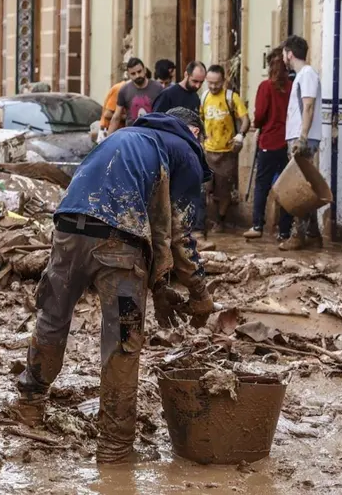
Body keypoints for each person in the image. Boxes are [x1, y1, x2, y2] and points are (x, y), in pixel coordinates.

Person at [13, 108, 213, 463]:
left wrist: (159, 287)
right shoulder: (185, 149)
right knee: (122, 341)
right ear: (194, 131)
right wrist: (200, 294)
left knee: (52, 319)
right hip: (118, 246)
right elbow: (179, 232)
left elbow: (156, 224)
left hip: (67, 230)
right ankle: (115, 448)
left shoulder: (124, 137)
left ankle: (29, 405)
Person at [279, 35, 323, 250]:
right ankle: (313, 234)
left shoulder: (306, 74)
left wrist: (302, 138)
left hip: (302, 139)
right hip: (299, 137)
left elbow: (308, 107)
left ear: (290, 53)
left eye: (283, 53)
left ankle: (298, 235)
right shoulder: (301, 75)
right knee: (305, 185)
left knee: (299, 188)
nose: (283, 58)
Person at [244, 48, 292, 239]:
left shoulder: (265, 87)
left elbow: (260, 115)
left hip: (269, 142)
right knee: (286, 186)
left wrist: (257, 125)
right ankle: (285, 230)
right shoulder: (291, 86)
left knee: (262, 185)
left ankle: (257, 226)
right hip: (287, 142)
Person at [199, 64, 251, 232]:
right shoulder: (204, 97)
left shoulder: (231, 97)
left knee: (224, 190)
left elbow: (245, 119)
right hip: (208, 151)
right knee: (206, 188)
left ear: (223, 81)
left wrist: (240, 135)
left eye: (217, 83)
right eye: (210, 83)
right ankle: (208, 220)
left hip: (227, 152)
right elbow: (199, 120)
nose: (213, 87)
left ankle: (220, 221)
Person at [110, 58, 163, 131]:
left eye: (139, 71)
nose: (137, 75)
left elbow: (165, 114)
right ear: (128, 74)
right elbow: (116, 117)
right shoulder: (124, 90)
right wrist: (108, 139)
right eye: (133, 73)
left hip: (153, 132)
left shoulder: (158, 88)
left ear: (144, 70)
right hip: (132, 134)